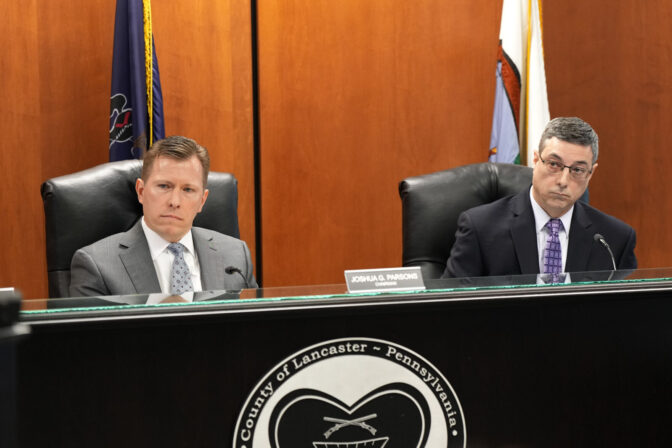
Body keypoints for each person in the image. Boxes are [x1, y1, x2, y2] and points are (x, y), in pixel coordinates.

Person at [442, 117, 637, 279]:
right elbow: (452, 308)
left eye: (577, 170)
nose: (563, 180)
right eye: (554, 164)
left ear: (590, 174)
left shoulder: (614, 239)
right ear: (535, 160)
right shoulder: (481, 228)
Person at [69, 136, 257, 297]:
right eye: (164, 186)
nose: (175, 201)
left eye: (188, 189)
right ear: (141, 191)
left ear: (202, 200)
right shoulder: (97, 264)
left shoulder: (236, 257)